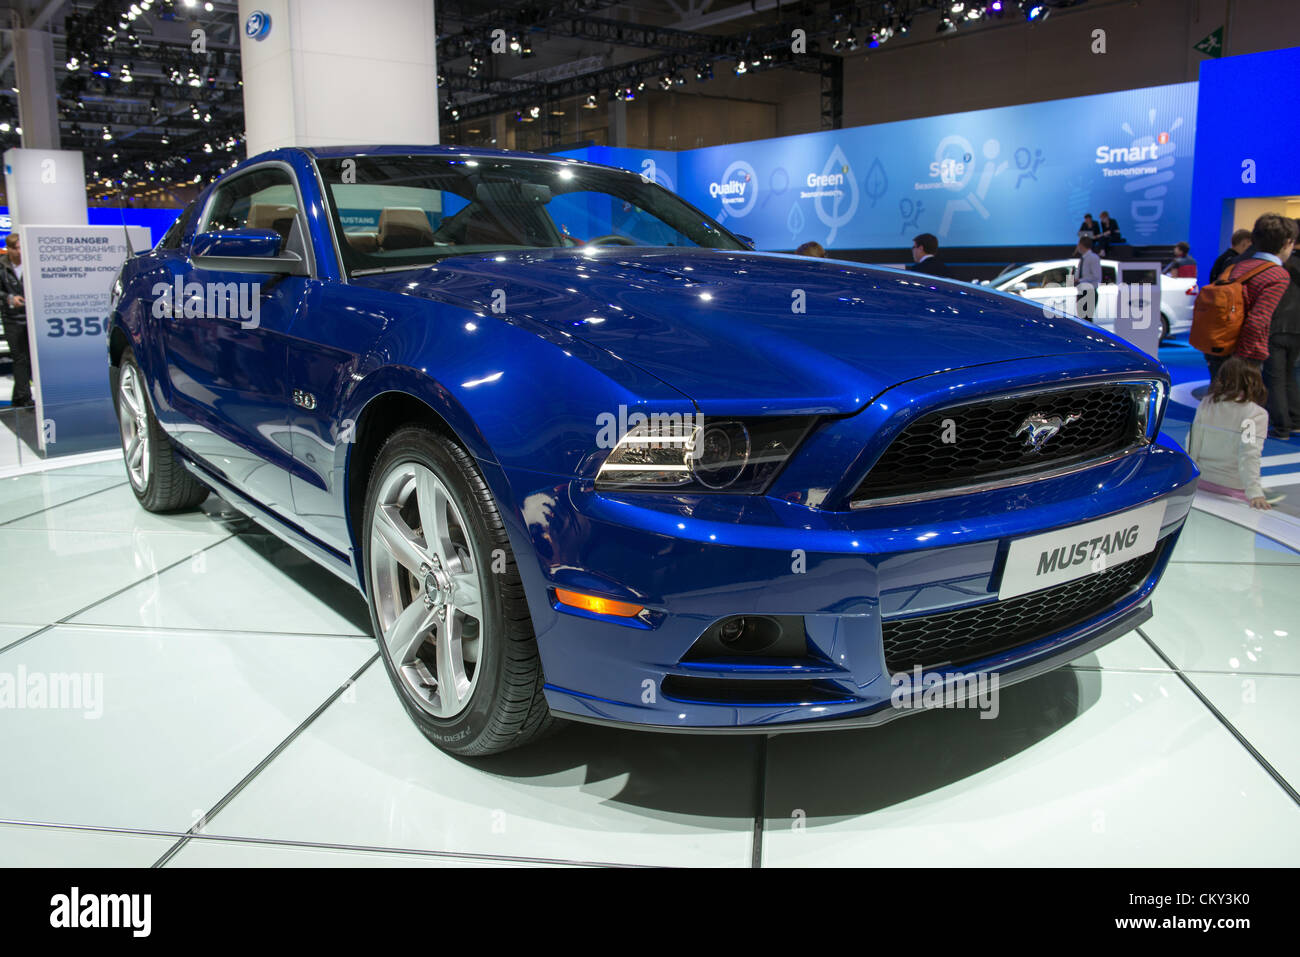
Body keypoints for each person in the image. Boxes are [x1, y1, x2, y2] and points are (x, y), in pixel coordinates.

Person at [1214, 213, 1298, 380]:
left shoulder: (1237, 265)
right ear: (1287, 243)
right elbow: (1257, 319)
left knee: (1220, 397)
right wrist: (1241, 359)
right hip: (1245, 352)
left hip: (1219, 341)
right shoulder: (1277, 274)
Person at [1188, 357, 1279, 509]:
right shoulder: (1256, 414)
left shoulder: (1207, 403)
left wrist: (1190, 476)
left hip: (1202, 481)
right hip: (1233, 488)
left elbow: (1193, 442)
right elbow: (1249, 454)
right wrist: (1255, 493)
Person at [1263, 220, 1300, 439]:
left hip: (1275, 327)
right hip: (1297, 329)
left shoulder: (1279, 266)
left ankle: (1282, 426)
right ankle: (1295, 420)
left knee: (1275, 377)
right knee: (1291, 375)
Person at [0, 232, 31, 408]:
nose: (20, 251)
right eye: (17, 248)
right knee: (20, 358)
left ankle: (19, 397)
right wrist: (10, 299)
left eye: (21, 248)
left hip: (31, 317)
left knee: (28, 359)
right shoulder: (2, 267)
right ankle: (24, 399)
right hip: (12, 317)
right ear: (9, 249)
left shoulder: (30, 263)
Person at [1073, 235, 1102, 322]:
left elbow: (1096, 275)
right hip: (1082, 291)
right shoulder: (1083, 258)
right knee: (1082, 319)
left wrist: (1080, 280)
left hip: (1089, 292)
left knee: (1087, 319)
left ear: (1081, 245)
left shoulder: (1093, 258)